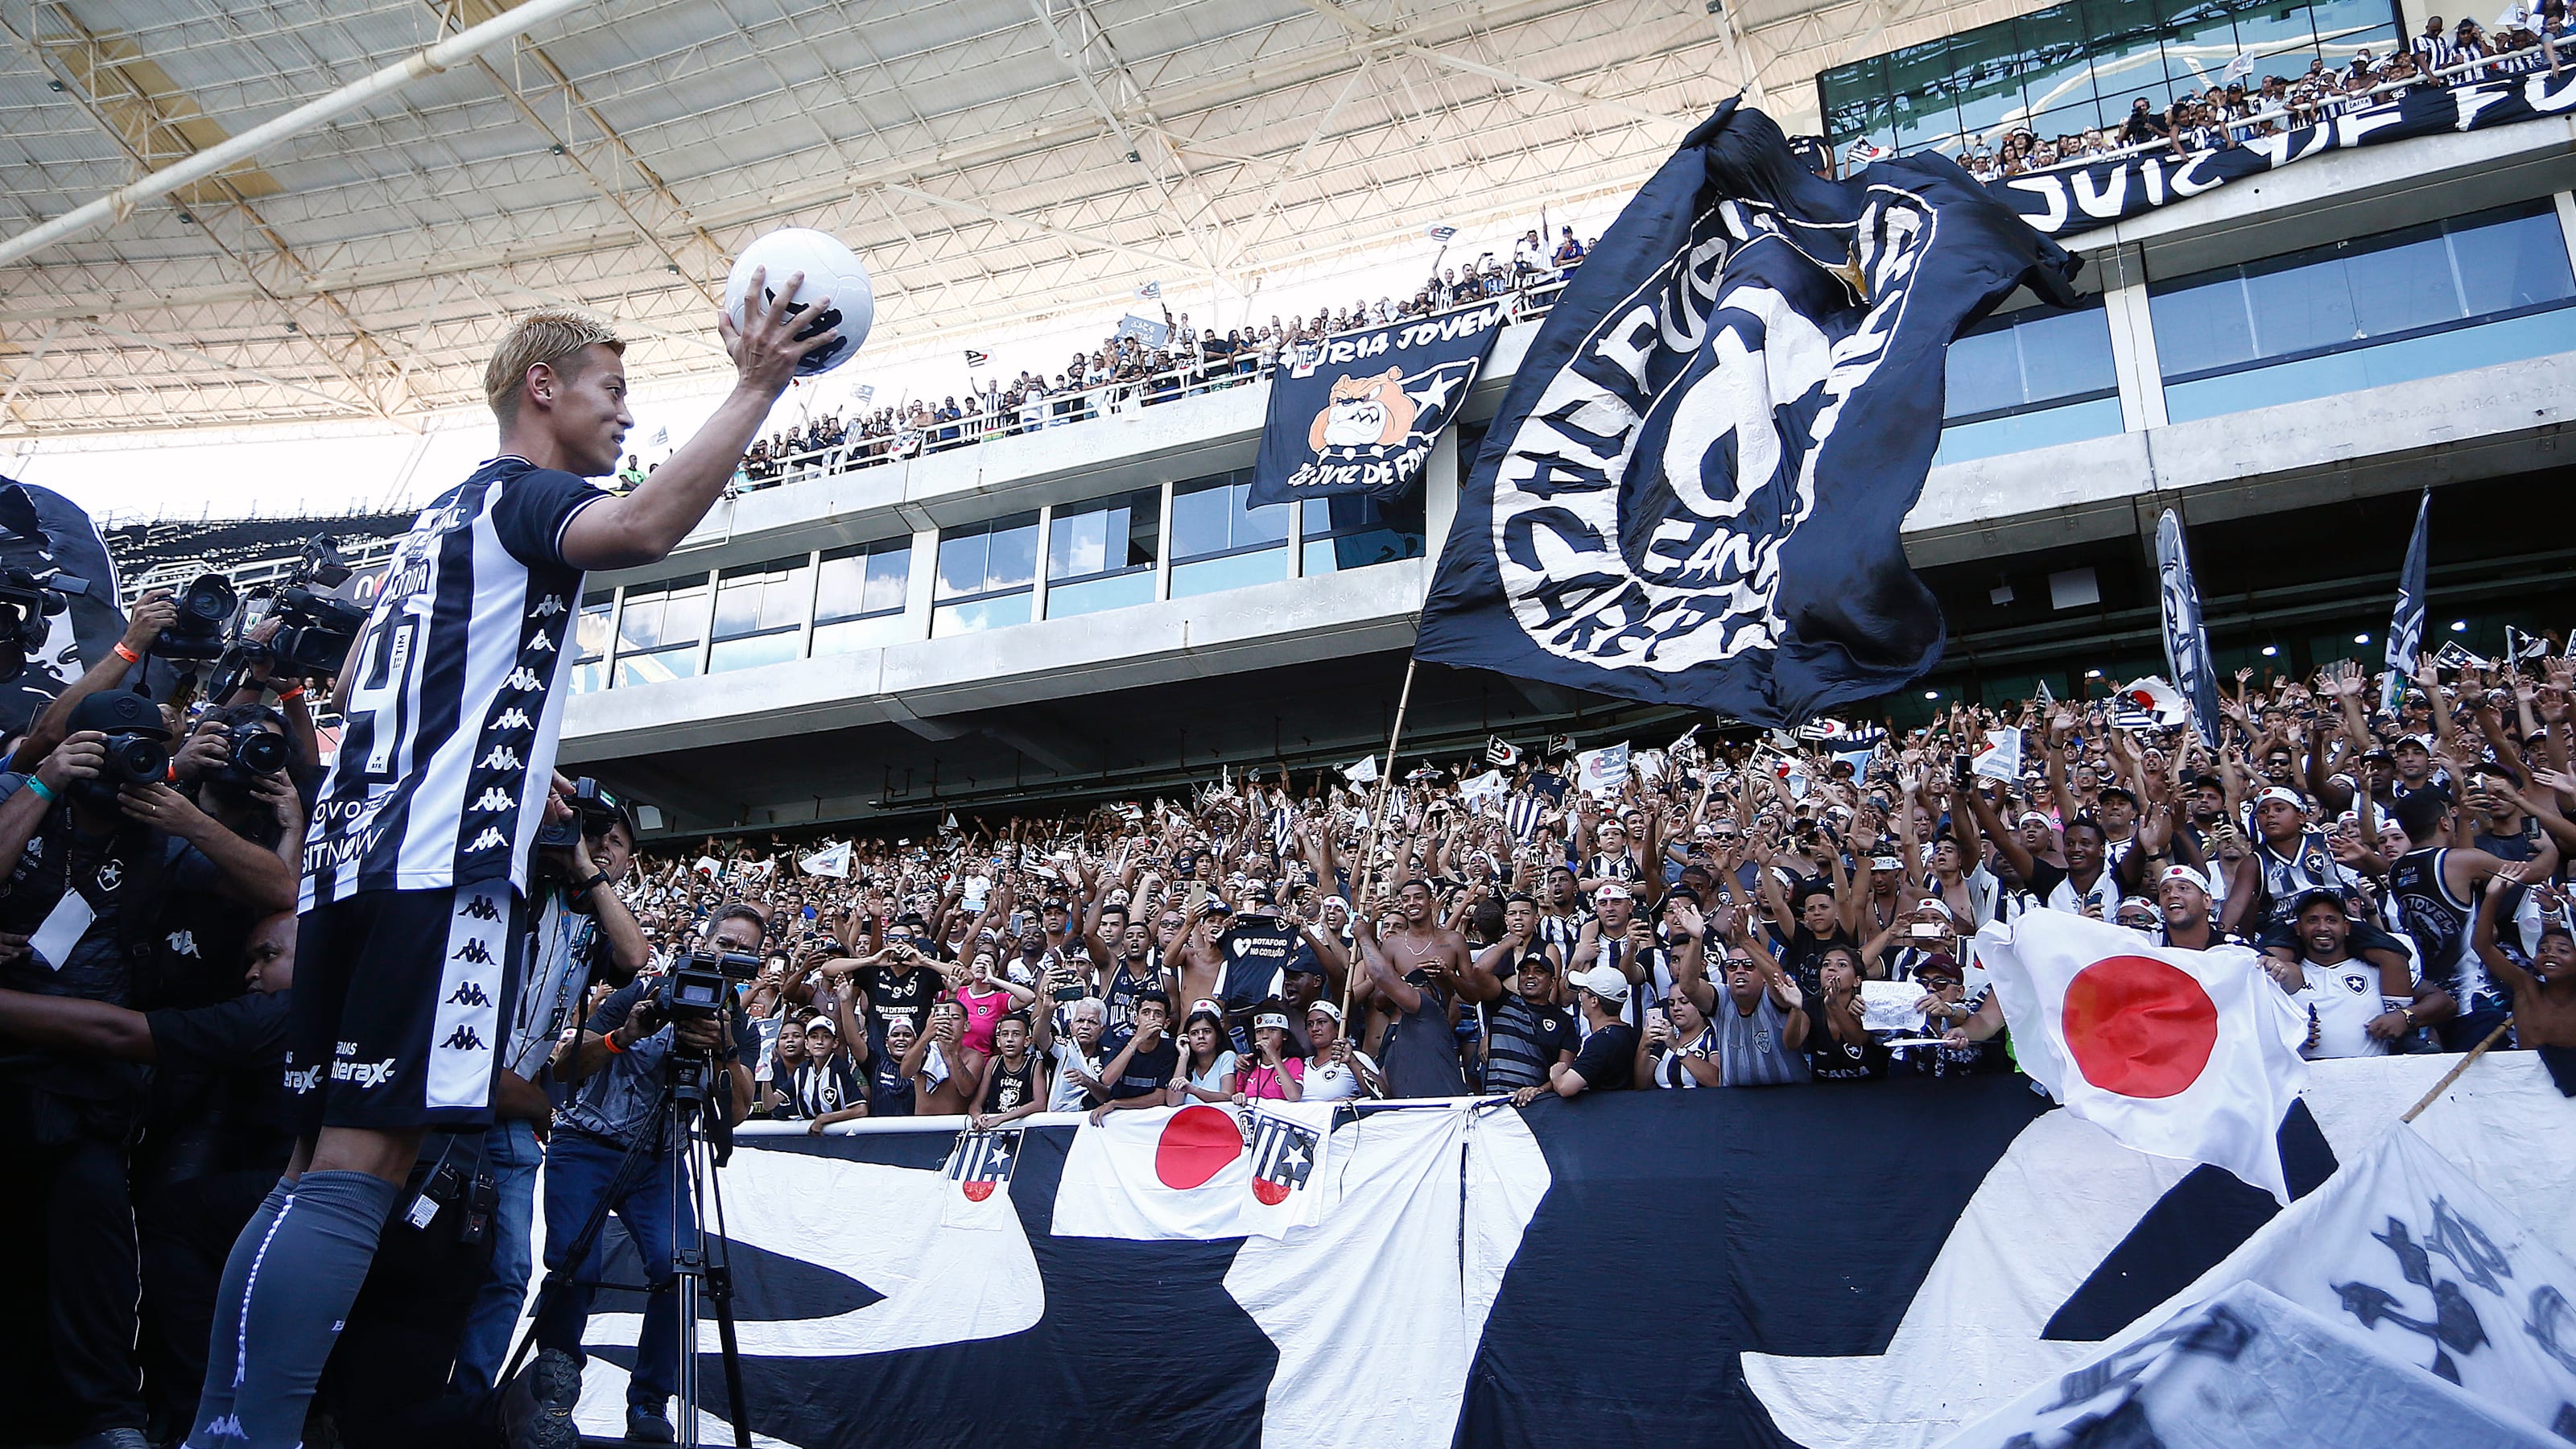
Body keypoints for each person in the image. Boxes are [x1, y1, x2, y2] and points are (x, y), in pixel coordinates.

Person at [191, 283, 840, 1449]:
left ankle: (229, 1420)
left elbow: (352, 699)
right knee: (360, 1164)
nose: (626, 415)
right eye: (614, 389)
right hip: (435, 864)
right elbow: (641, 529)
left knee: (308, 1165)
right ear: (543, 388)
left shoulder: (430, 527)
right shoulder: (527, 496)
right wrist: (759, 384)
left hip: (355, 862)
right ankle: (249, 1436)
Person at [536, 905, 762, 1443]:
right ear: (703, 945)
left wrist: (725, 1050)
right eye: (725, 941)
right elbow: (564, 1065)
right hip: (585, 1142)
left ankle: (649, 1406)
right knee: (574, 1262)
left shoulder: (740, 1026)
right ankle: (553, 1394)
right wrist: (625, 1033)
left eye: (745, 949)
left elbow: (737, 1111)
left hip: (660, 1158)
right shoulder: (640, 992)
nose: (732, 953)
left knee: (679, 1269)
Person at [454, 790, 647, 1398]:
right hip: (453, 1098)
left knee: (509, 1271)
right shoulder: (519, 883)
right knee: (435, 1258)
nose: (601, 848)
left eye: (615, 842)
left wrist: (588, 873)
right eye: (592, 835)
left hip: (512, 1110)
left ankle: (468, 1405)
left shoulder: (594, 913)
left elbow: (636, 955)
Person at [1355, 881, 1471, 1098]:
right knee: (1392, 1095)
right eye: (1405, 899)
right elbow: (1380, 1001)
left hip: (1435, 1032)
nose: (1411, 903)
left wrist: (1448, 975)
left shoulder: (1453, 940)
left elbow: (1473, 996)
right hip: (1399, 1030)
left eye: (1418, 897)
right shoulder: (1393, 944)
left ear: (1432, 901)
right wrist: (1405, 985)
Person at [1524, 964, 1639, 1102]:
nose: (1580, 997)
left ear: (1594, 1001)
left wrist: (1556, 1073)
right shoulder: (1631, 1033)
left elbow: (1565, 1087)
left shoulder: (1602, 1041)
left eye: (1583, 991)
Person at [1091, 991, 1180, 1123]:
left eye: (1158, 1014)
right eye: (1145, 1013)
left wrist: (1116, 1103)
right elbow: (1107, 1079)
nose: (1151, 1018)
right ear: (1136, 1019)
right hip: (1119, 1118)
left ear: (1166, 1023)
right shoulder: (1121, 1043)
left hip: (1152, 1119)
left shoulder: (1170, 1049)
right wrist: (1137, 1039)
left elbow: (1159, 1098)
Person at [968, 1013, 1047, 1131]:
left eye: (1016, 1034)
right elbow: (976, 1105)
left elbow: (1040, 1104)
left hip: (1025, 1130)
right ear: (999, 1041)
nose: (1010, 1039)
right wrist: (977, 1117)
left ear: (1026, 1041)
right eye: (1005, 1034)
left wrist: (1001, 1119)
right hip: (995, 1130)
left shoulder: (1035, 1064)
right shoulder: (993, 1063)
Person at [1301, 1001, 1378, 1101]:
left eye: (1322, 1022)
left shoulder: (1356, 1057)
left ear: (1338, 1028)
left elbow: (1381, 1095)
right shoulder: (1301, 1064)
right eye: (1310, 1024)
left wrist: (1352, 1061)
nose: (1315, 1028)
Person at [1233, 1010, 1305, 1101]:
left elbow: (1294, 1096)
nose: (1265, 1036)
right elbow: (1238, 1094)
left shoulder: (1293, 1062)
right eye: (1259, 1031)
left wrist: (1274, 1057)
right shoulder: (1248, 1064)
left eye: (1272, 1030)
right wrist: (1238, 1097)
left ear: (1284, 1036)